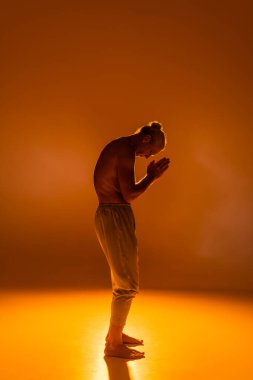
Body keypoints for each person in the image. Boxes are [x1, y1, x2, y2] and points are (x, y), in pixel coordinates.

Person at [93, 121, 170, 359]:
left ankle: (114, 335)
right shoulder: (125, 151)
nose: (147, 157)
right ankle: (113, 345)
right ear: (145, 139)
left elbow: (125, 194)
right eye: (150, 152)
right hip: (114, 215)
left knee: (122, 282)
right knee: (127, 284)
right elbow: (130, 194)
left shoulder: (121, 147)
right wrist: (151, 178)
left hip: (115, 214)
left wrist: (149, 177)